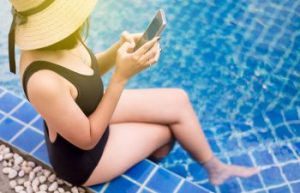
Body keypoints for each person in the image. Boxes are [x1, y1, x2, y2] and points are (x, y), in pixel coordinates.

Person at [7, 0, 260, 187]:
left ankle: (216, 168)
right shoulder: (42, 81)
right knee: (167, 133)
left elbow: (86, 67)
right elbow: (87, 138)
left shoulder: (62, 36)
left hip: (92, 110)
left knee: (178, 100)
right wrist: (121, 77)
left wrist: (120, 49)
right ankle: (139, 166)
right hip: (84, 158)